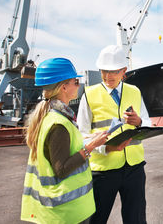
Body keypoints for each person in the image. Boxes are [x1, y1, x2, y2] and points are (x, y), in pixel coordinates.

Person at [20, 58, 129, 224]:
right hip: (66, 211)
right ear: (64, 87)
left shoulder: (52, 116)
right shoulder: (59, 124)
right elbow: (62, 168)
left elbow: (66, 148)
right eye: (76, 82)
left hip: (62, 209)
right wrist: (91, 146)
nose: (79, 85)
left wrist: (93, 139)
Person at [77, 45, 151, 224]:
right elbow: (81, 135)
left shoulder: (135, 91)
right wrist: (106, 147)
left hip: (134, 167)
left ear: (124, 71)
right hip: (103, 170)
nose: (108, 76)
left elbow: (148, 122)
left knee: (137, 219)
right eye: (104, 71)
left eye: (114, 71)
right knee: (96, 219)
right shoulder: (89, 94)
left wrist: (139, 122)